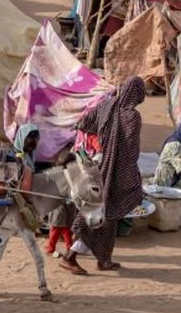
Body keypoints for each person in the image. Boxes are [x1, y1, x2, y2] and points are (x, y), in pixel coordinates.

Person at [60, 77, 145, 275]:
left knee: (110, 214)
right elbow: (132, 149)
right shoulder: (132, 116)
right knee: (102, 213)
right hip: (117, 171)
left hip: (98, 165)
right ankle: (69, 256)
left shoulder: (106, 105)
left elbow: (84, 123)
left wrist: (100, 144)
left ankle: (104, 258)